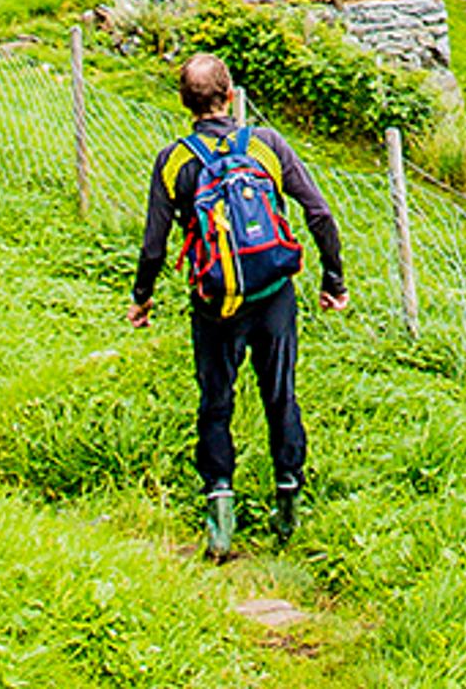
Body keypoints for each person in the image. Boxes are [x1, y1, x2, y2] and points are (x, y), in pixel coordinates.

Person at [128, 52, 347, 560]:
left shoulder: (174, 161)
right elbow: (319, 213)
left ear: (185, 104)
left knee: (216, 402)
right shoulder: (267, 146)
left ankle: (220, 522)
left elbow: (154, 247)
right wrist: (333, 278)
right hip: (274, 295)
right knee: (280, 396)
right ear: (231, 96)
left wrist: (142, 298)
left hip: (214, 304)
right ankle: (288, 508)